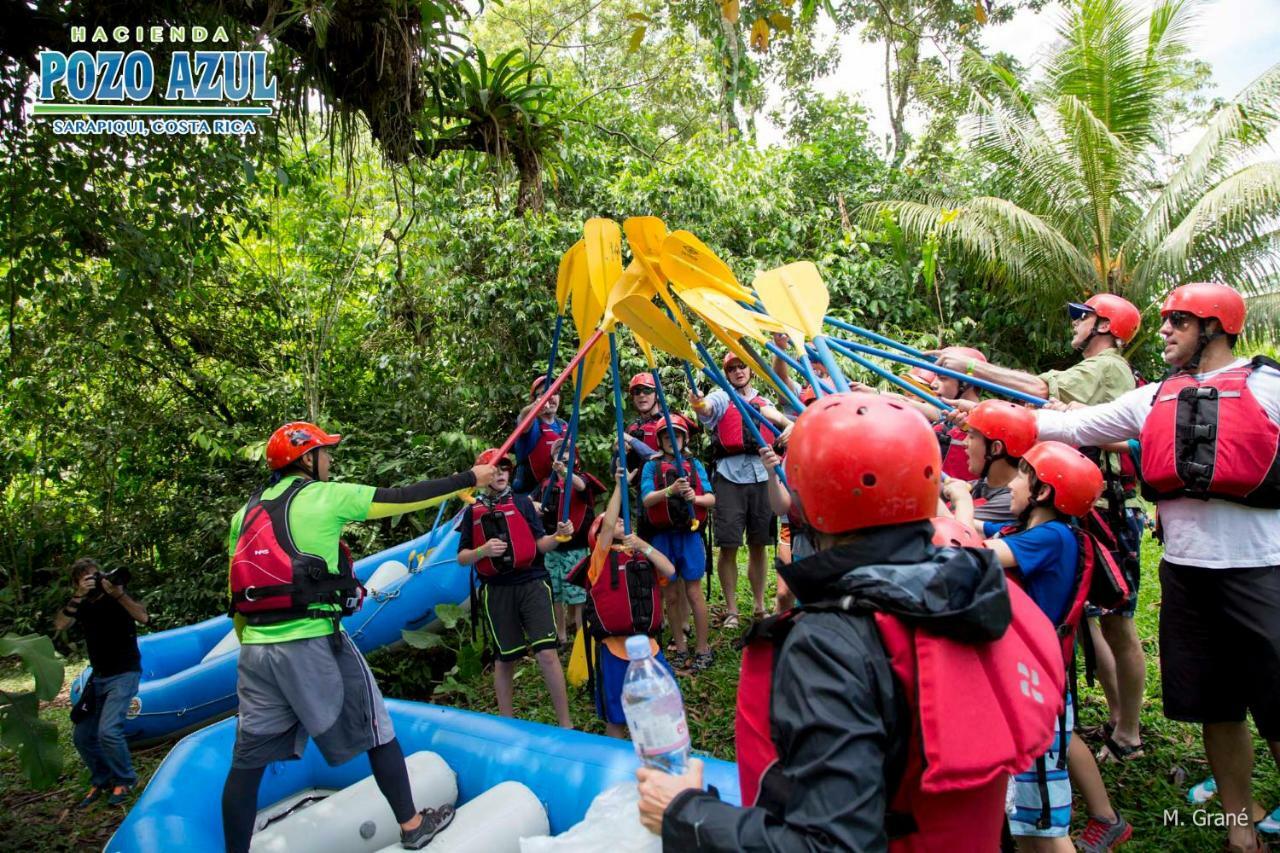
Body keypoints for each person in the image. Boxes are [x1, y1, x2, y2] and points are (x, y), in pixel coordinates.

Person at [638, 393, 1064, 850]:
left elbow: (831, 843)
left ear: (814, 495)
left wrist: (685, 813)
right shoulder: (976, 588)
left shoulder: (830, 641)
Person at [1035, 282, 1280, 853]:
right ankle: (1238, 830)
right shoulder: (1158, 397)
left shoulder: (1268, 386)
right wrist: (984, 414)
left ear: (1213, 329)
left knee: (1278, 706)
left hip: (1261, 570)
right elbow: (1073, 428)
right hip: (1187, 575)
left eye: (1178, 322)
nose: (1163, 331)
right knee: (1217, 708)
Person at [221, 421, 493, 852]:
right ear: (306, 459)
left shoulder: (244, 513)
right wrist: (470, 479)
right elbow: (403, 499)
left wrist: (252, 640)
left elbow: (236, 596)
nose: (329, 459)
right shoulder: (326, 496)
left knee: (247, 762)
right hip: (313, 640)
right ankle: (412, 825)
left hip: (254, 650)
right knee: (377, 727)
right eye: (324, 452)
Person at [940, 293, 1148, 767]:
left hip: (1106, 509)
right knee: (1089, 614)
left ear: (1104, 325)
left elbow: (1037, 384)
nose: (1074, 322)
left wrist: (976, 369)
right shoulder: (1094, 377)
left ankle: (1128, 729)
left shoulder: (1109, 367)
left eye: (1082, 316)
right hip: (1084, 505)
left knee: (1117, 617)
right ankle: (1111, 718)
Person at [947, 442, 1132, 851]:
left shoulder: (1050, 537)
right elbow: (975, 530)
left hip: (1035, 690)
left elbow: (969, 553)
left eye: (1020, 477)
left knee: (1045, 829)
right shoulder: (1030, 531)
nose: (1011, 484)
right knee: (1027, 823)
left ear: (1043, 493)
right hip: (1025, 683)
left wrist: (960, 500)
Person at [456, 448, 575, 729]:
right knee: (505, 658)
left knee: (546, 653)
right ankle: (506, 725)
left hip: (532, 584)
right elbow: (462, 558)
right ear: (482, 476)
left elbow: (539, 545)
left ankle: (566, 724)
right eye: (494, 469)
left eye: (505, 469)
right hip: (496, 590)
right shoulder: (472, 511)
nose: (500, 474)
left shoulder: (523, 503)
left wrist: (559, 536)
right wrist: (482, 551)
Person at [570, 468, 677, 738]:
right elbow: (607, 527)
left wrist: (642, 545)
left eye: (621, 520)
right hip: (615, 651)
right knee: (616, 717)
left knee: (663, 709)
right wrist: (619, 485)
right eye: (613, 521)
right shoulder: (600, 559)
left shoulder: (640, 556)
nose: (618, 522)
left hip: (648, 649)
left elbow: (670, 570)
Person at [690, 353, 793, 628]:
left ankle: (759, 607)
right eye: (732, 368)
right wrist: (698, 401)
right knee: (729, 545)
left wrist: (791, 427)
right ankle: (733, 610)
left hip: (762, 476)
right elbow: (706, 409)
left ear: (750, 370)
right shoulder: (722, 397)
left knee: (760, 543)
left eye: (741, 366)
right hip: (729, 476)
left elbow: (782, 420)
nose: (737, 372)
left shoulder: (764, 402)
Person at [54, 557, 149, 809]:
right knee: (83, 736)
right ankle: (103, 779)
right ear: (77, 583)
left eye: (96, 575)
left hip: (125, 672)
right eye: (87, 578)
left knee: (108, 731)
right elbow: (60, 624)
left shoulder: (117, 597)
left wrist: (119, 595)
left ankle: (126, 780)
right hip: (99, 676)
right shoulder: (81, 604)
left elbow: (144, 617)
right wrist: (78, 596)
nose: (95, 581)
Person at [639, 414, 715, 671]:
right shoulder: (651, 466)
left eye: (678, 435)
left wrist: (695, 498)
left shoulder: (694, 465)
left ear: (685, 438)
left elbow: (711, 499)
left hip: (689, 535)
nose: (673, 440)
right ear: (660, 440)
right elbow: (647, 499)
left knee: (693, 592)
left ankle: (703, 648)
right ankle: (680, 647)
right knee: (670, 595)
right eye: (667, 436)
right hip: (663, 537)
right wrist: (668, 491)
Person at [534, 438, 604, 645]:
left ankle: (582, 635)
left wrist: (565, 471)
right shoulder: (547, 483)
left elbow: (581, 486)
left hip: (576, 548)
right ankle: (561, 634)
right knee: (556, 593)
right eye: (558, 453)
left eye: (567, 453)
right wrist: (536, 505)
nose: (563, 456)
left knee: (577, 593)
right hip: (553, 547)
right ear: (552, 458)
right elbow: (531, 502)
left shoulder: (581, 478)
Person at [903, 346, 987, 481]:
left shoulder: (985, 429)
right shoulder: (941, 423)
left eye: (942, 378)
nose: (934, 384)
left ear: (965, 384)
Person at [955, 399, 1040, 526]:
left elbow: (957, 528)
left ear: (996, 448)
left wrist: (959, 497)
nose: (964, 442)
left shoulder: (1011, 500)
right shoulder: (985, 483)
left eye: (971, 436)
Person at [513, 375, 569, 495]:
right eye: (544, 393)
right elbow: (523, 419)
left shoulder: (564, 426)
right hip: (530, 499)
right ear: (535, 399)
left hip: (558, 496)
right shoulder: (531, 424)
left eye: (555, 392)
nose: (550, 397)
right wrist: (534, 408)